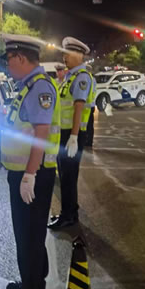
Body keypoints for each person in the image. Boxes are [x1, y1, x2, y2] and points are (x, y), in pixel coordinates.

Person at [0, 34, 61, 289]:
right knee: (29, 234)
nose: (8, 65)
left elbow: (41, 133)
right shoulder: (29, 86)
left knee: (29, 235)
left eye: (9, 60)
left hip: (33, 173)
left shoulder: (39, 87)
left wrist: (29, 175)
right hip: (25, 171)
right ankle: (31, 283)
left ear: (21, 58)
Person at [48, 37, 95, 231]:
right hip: (65, 134)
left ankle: (68, 216)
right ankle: (70, 211)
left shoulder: (82, 77)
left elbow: (78, 108)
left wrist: (74, 137)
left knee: (68, 177)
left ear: (78, 55)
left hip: (71, 135)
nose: (64, 57)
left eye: (67, 54)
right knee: (66, 175)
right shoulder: (70, 77)